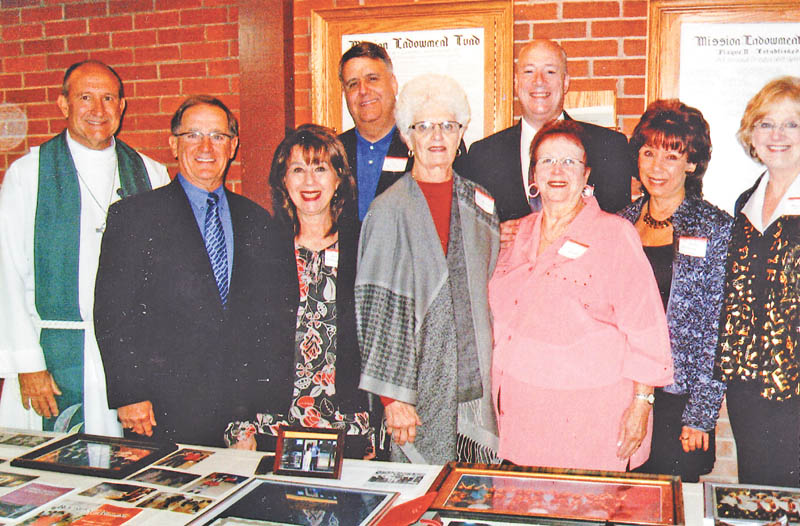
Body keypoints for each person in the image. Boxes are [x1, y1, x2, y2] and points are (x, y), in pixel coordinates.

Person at [489, 120, 673, 471]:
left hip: (591, 416)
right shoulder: (517, 234)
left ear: (586, 175)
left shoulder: (614, 234)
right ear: (533, 174)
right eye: (547, 161)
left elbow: (647, 327)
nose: (558, 171)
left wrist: (642, 404)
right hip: (523, 411)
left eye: (569, 162)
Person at [94, 95, 274, 446]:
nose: (206, 147)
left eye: (218, 136)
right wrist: (129, 393)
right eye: (193, 135)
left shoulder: (256, 221)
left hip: (239, 409)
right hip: (162, 408)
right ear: (173, 143)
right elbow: (113, 313)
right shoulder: (134, 217)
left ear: (233, 145)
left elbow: (262, 319)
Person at [0, 60, 169, 435]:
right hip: (54, 355)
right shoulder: (29, 175)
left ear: (122, 106)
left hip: (128, 359)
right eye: (85, 98)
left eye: (108, 98)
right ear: (64, 105)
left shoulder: (151, 173)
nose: (98, 110)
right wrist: (28, 363)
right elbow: (6, 273)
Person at [356, 74, 500, 464]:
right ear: (407, 135)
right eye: (424, 126)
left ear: (461, 133)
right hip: (413, 386)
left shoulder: (481, 203)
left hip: (475, 386)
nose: (437, 136)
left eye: (448, 125)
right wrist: (392, 398)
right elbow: (374, 311)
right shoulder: (387, 209)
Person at [223, 124, 373, 458]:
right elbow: (239, 343)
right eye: (297, 170)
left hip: (347, 423)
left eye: (320, 169)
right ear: (283, 181)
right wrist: (240, 425)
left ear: (339, 180)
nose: (309, 182)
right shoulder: (260, 248)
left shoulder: (365, 246)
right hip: (273, 424)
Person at [619, 100, 732, 482]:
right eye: (648, 153)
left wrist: (701, 413)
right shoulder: (620, 223)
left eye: (671, 155)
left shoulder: (714, 227)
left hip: (677, 401)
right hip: (620, 389)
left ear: (692, 163)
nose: (656, 167)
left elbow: (720, 329)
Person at [460, 39, 634, 246]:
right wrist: (490, 234)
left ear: (566, 82)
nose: (539, 81)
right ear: (516, 83)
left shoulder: (609, 146)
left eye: (550, 72)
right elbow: (471, 231)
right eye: (529, 72)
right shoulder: (483, 154)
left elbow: (618, 229)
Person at [715, 76, 800, 487]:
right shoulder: (745, 202)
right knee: (759, 491)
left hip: (797, 384)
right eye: (766, 123)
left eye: (791, 124)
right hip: (749, 384)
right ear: (752, 134)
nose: (777, 135)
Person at [337, 42, 409, 221]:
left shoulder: (420, 145)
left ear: (393, 84)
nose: (363, 90)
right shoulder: (334, 151)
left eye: (372, 79)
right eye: (353, 84)